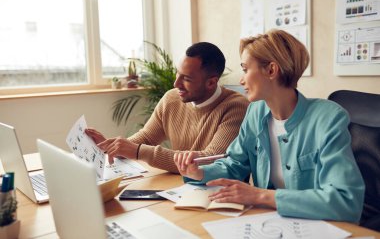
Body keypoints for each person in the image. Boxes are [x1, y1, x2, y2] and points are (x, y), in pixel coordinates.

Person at [174, 29, 365, 222]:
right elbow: (235, 164)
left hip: (317, 227)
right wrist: (200, 173)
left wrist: (259, 195)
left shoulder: (328, 118)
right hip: (269, 223)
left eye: (245, 69)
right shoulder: (255, 112)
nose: (241, 80)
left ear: (271, 70)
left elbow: (346, 200)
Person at [86, 42, 249, 173]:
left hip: (216, 191)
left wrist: (137, 151)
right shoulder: (172, 98)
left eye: (187, 79)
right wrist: (112, 147)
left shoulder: (236, 107)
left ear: (211, 82)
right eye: (178, 74)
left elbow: (210, 160)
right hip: (178, 187)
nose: (176, 83)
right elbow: (146, 137)